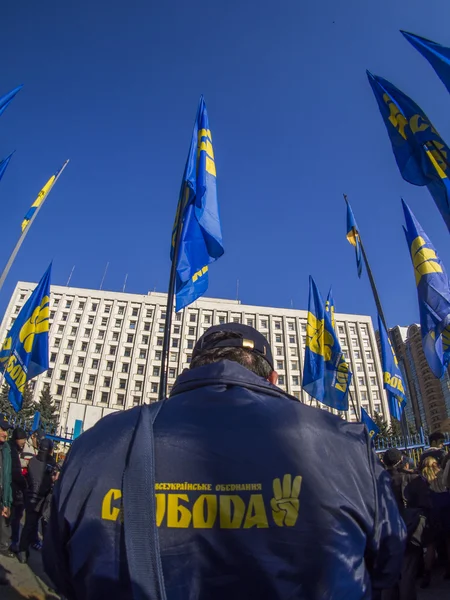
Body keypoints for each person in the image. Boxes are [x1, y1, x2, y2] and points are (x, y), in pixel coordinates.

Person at [44, 323, 406, 600]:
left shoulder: (99, 442)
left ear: (190, 370)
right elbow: (388, 561)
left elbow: (59, 568)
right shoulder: (345, 444)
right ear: (272, 377)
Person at [382, 449, 422, 600]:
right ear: (401, 460)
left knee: (389, 573)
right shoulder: (411, 478)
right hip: (407, 528)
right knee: (406, 573)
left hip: (385, 530)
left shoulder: (376, 481)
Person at [18, 438, 54, 563]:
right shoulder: (50, 463)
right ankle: (23, 549)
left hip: (31, 498)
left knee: (30, 524)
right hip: (41, 499)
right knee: (34, 525)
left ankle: (26, 546)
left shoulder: (33, 460)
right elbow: (49, 481)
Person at [8, 427, 28, 553]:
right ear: (17, 438)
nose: (24, 443)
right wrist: (24, 484)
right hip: (14, 488)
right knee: (15, 517)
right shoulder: (12, 450)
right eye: (23, 440)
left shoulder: (11, 448)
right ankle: (11, 543)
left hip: (12, 486)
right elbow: (15, 472)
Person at [0, 414, 12, 584]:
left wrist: (6, 503)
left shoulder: (6, 449)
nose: (5, 433)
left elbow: (7, 477)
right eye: (2, 430)